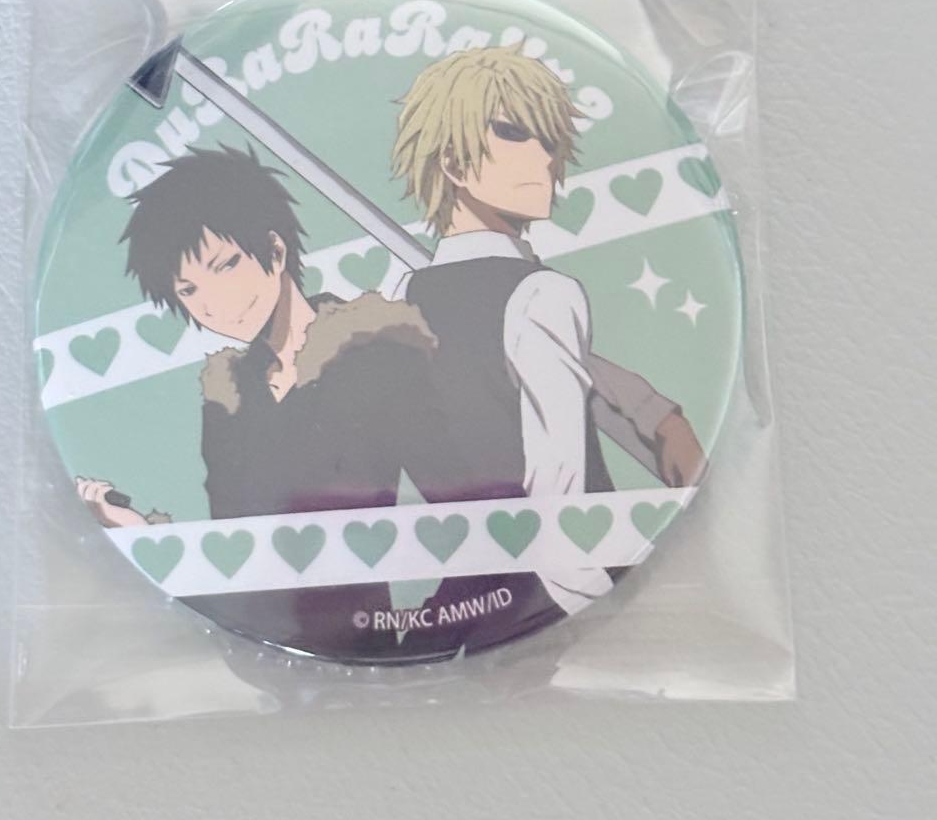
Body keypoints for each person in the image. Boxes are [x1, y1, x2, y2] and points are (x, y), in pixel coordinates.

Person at [80, 146, 455, 662]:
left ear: (275, 253)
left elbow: (470, 508)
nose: (213, 303)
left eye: (226, 266)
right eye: (188, 289)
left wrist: (427, 637)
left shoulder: (376, 352)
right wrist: (143, 537)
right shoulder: (229, 395)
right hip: (269, 660)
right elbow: (243, 568)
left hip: (374, 647)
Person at [389, 45, 707, 639]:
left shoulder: (400, 293)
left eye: (549, 140)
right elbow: (557, 487)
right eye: (513, 133)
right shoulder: (545, 294)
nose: (542, 157)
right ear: (452, 161)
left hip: (464, 590)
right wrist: (584, 600)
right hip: (558, 592)